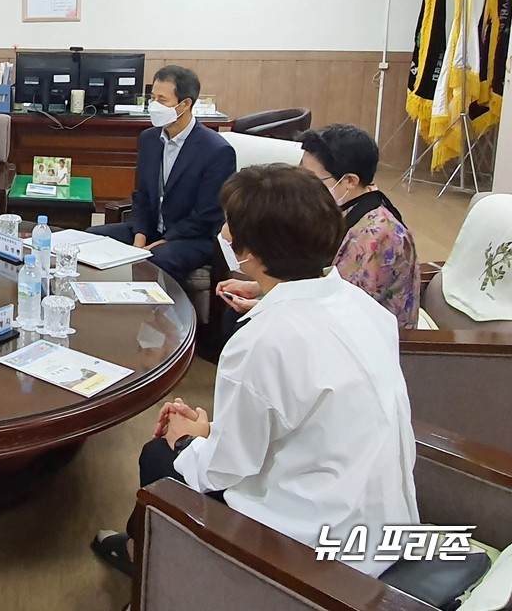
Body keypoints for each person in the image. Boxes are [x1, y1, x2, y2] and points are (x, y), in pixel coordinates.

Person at [92, 165, 417, 579]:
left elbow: (226, 467)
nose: (224, 234)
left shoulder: (263, 341)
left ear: (252, 254)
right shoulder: (365, 309)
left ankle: (150, 569)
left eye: (228, 226)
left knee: (159, 456)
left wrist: (188, 439)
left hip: (317, 545)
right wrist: (213, 431)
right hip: (380, 516)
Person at [218, 124, 421, 331]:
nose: (303, 182)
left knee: (242, 324)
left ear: (350, 181)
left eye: (311, 177)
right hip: (322, 314)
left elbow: (344, 307)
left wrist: (264, 304)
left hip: (365, 336)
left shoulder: (375, 235)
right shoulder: (341, 208)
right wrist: (259, 288)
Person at [89, 65, 236, 282]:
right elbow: (142, 195)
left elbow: (208, 216)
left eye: (162, 100)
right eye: (152, 98)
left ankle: (153, 314)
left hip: (191, 238)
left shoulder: (217, 151)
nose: (154, 106)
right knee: (91, 239)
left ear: (185, 104)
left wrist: (164, 241)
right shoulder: (149, 139)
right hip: (149, 230)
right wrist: (140, 237)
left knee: (154, 260)